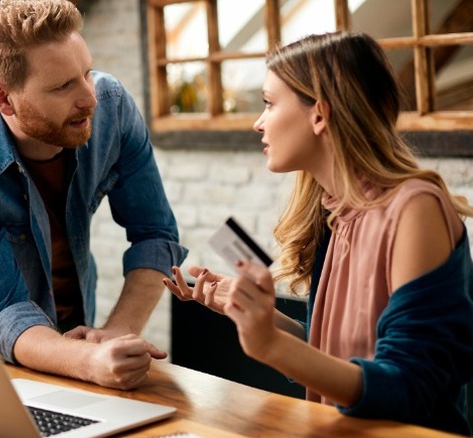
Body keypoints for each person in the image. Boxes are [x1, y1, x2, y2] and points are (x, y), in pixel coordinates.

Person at [164, 31, 473, 435]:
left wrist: (271, 346)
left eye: (269, 104)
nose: (258, 122)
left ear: (320, 115)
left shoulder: (415, 210)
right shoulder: (334, 212)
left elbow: (408, 385)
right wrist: (262, 320)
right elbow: (342, 352)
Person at [0, 0, 187, 390]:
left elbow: (155, 235)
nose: (90, 98)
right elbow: (4, 311)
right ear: (3, 99)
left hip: (74, 341)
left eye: (85, 73)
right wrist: (89, 361)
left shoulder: (111, 107)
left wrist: (115, 334)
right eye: (64, 86)